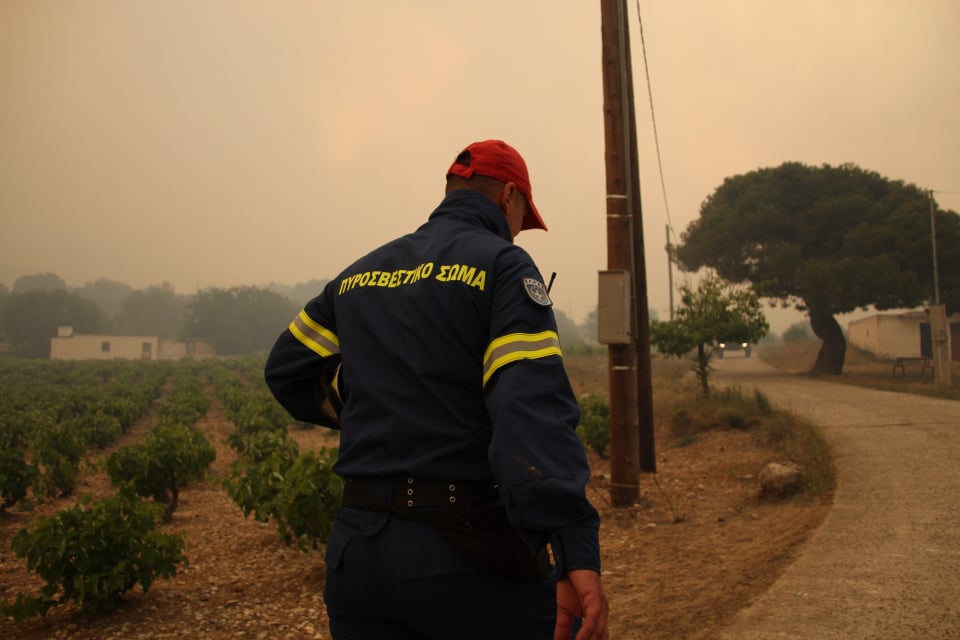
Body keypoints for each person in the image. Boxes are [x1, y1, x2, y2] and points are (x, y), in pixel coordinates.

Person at [265, 139, 609, 640]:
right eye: (523, 217)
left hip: (356, 557)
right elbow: (529, 410)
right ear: (508, 196)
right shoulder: (502, 267)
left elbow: (287, 370)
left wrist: (366, 395)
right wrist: (572, 542)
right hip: (461, 554)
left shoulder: (359, 275)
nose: (519, 231)